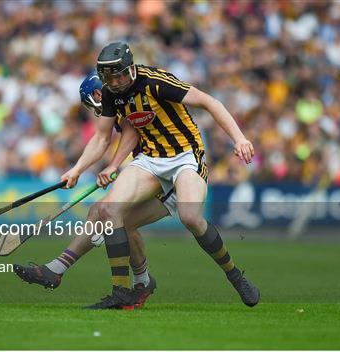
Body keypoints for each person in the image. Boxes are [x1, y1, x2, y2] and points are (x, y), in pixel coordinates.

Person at [61, 42, 260, 309]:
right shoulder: (110, 93)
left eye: (119, 75)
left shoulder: (155, 82)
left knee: (190, 217)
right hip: (151, 160)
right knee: (111, 214)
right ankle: (124, 292)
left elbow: (209, 102)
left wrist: (239, 138)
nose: (115, 82)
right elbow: (101, 137)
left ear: (130, 68)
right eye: (109, 77)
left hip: (185, 156)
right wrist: (77, 169)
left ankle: (234, 274)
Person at [13, 71, 180, 309]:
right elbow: (103, 140)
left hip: (169, 179)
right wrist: (78, 170)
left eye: (91, 104)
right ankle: (136, 281)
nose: (96, 112)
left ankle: (64, 272)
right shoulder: (124, 108)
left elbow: (122, 141)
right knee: (104, 214)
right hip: (149, 174)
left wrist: (113, 168)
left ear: (98, 94)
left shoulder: (130, 105)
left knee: (108, 215)